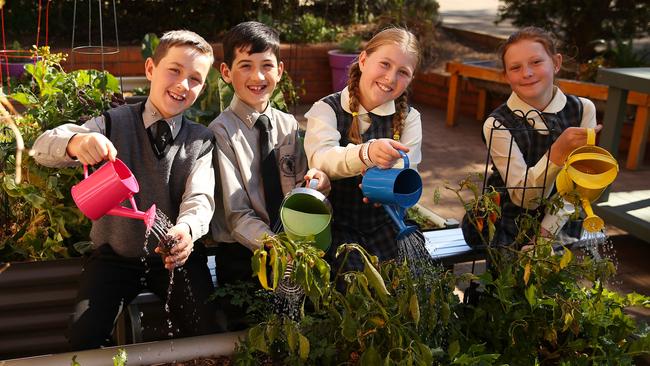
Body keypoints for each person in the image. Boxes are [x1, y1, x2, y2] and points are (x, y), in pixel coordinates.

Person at [32, 30, 218, 349]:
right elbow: (40, 148)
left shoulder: (200, 139)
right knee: (83, 337)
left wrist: (187, 230)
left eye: (195, 79)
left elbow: (199, 197)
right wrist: (77, 142)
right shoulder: (111, 123)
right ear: (150, 69)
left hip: (174, 257)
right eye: (174, 70)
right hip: (112, 258)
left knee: (209, 330)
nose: (182, 85)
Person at [208, 21, 330, 330]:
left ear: (280, 70)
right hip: (246, 255)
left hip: (292, 250)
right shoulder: (220, 132)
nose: (258, 77)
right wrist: (278, 249)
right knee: (256, 333)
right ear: (225, 72)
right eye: (245, 66)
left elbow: (298, 181)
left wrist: (315, 185)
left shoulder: (288, 124)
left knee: (303, 329)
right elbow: (236, 215)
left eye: (267, 66)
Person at [304, 27, 422, 272]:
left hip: (386, 225)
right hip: (338, 226)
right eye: (385, 64)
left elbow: (407, 170)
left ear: (411, 79)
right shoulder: (327, 109)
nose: (390, 78)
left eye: (403, 72)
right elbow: (321, 159)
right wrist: (365, 154)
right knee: (355, 282)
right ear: (364, 59)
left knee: (409, 277)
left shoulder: (409, 118)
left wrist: (390, 191)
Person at [476, 26, 599, 247]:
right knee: (509, 281)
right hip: (508, 223)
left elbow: (578, 185)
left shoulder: (583, 110)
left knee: (557, 277)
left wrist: (546, 233)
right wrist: (558, 152)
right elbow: (525, 199)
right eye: (515, 67)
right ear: (506, 76)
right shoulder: (497, 124)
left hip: (561, 223)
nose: (527, 73)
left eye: (536, 62)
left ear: (556, 63)